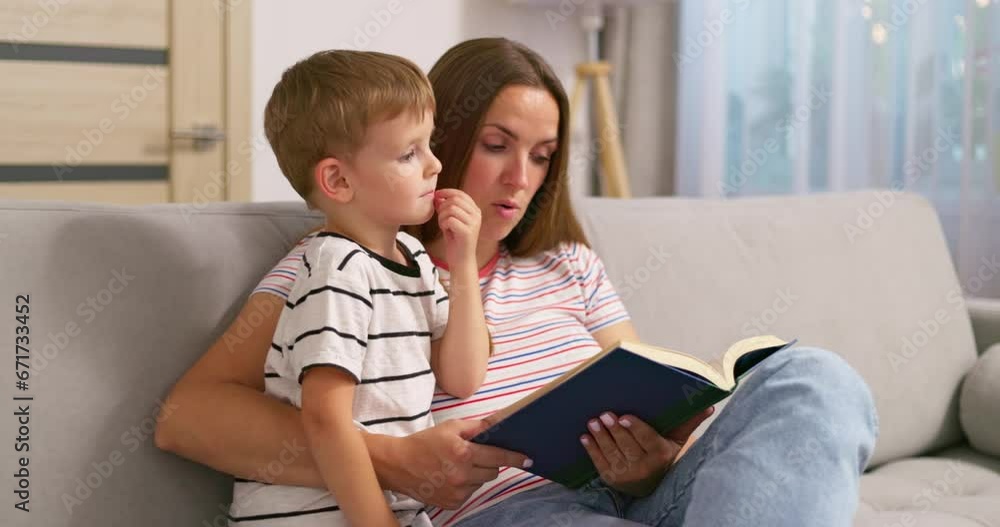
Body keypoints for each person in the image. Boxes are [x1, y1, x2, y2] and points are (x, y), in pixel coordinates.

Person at [156, 38, 878, 527]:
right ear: (439, 136)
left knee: (815, 376)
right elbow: (187, 416)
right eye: (497, 146)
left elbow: (651, 402)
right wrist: (397, 461)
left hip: (641, 499)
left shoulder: (570, 264)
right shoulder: (346, 261)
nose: (519, 179)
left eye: (541, 156)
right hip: (512, 510)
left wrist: (651, 460)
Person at [227, 50, 491, 526]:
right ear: (338, 179)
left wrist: (464, 262)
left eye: (428, 145)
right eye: (409, 153)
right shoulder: (336, 267)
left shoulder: (413, 262)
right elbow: (325, 420)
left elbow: (463, 377)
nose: (434, 165)